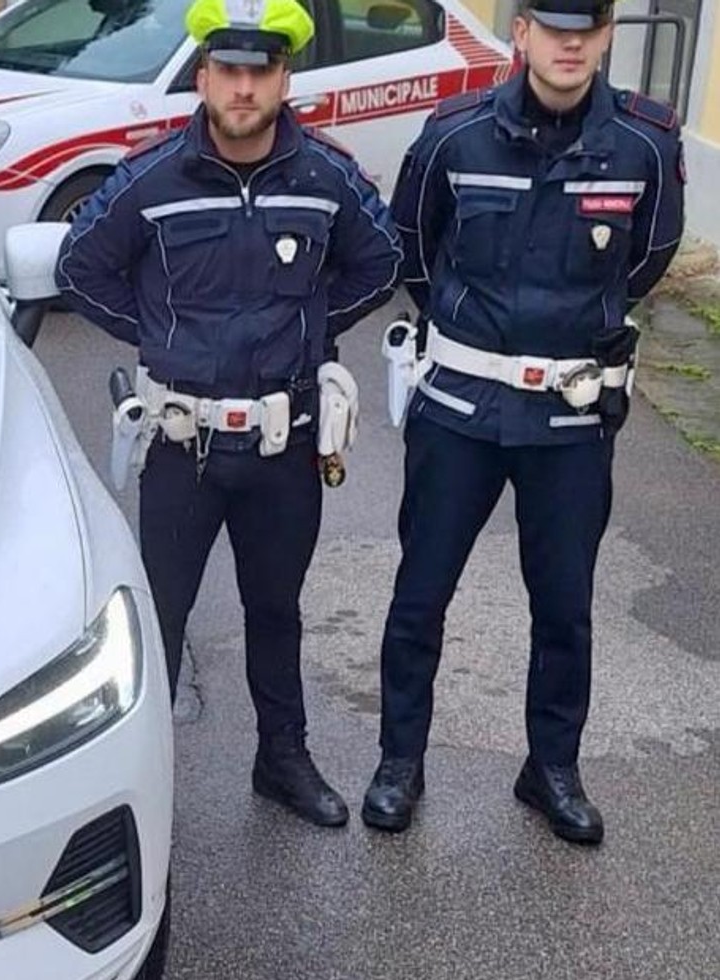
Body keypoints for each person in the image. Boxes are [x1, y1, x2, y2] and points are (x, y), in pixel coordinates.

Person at [56, 0, 402, 827]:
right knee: (159, 621)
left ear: (284, 79)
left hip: (285, 445)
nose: (245, 88)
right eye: (229, 70)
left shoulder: (324, 177)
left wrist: (307, 332)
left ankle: (282, 760)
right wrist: (163, 338)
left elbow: (382, 260)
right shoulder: (151, 179)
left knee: (276, 612)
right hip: (186, 448)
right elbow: (78, 268)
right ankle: (138, 786)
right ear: (204, 76)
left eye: (261, 71)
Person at [361, 0, 684, 844]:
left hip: (570, 418)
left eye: (587, 29)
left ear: (607, 35)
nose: (570, 44)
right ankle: (400, 762)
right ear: (523, 33)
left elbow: (648, 258)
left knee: (565, 607)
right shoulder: (455, 134)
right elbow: (413, 246)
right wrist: (473, 330)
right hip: (460, 411)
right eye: (554, 27)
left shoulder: (646, 144)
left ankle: (552, 769)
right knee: (420, 596)